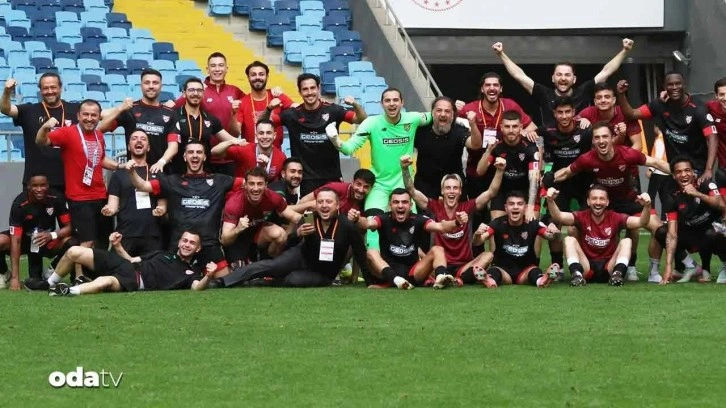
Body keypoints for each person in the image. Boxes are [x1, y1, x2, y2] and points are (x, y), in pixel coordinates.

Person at [543, 122, 669, 283]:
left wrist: (681, 175)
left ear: (612, 138)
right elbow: (567, 172)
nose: (601, 141)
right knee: (573, 229)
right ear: (593, 141)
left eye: (605, 137)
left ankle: (652, 271)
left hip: (628, 200)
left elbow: (657, 163)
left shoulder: (627, 154)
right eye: (597, 138)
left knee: (659, 230)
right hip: (603, 203)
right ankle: (581, 268)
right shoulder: (588, 158)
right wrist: (550, 178)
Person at [326, 88, 432, 249]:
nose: (392, 104)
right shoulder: (371, 123)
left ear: (402, 103)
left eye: (395, 100)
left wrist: (459, 117)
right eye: (387, 100)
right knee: (372, 225)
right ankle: (374, 262)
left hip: (404, 185)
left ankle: (413, 262)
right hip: (379, 185)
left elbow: (436, 115)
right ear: (381, 104)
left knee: (413, 226)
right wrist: (336, 140)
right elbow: (349, 149)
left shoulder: (413, 118)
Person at [124, 141, 243, 278]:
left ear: (204, 157)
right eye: (191, 152)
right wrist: (131, 172)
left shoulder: (219, 181)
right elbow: (143, 186)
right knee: (174, 283)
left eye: (199, 152)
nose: (195, 155)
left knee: (225, 283)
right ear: (185, 157)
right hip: (180, 247)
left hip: (209, 246)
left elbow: (249, 183)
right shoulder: (172, 181)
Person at [220, 188, 371, 288]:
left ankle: (264, 282)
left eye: (329, 202)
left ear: (337, 205)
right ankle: (223, 282)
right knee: (270, 266)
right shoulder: (309, 218)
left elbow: (360, 253)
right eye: (320, 202)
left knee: (293, 280)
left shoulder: (347, 225)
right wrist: (297, 234)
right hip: (300, 256)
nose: (324, 205)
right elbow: (287, 244)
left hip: (323, 273)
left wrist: (371, 282)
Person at [402, 154, 506, 285]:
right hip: (438, 265)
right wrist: (405, 169)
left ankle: (460, 279)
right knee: (417, 251)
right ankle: (452, 277)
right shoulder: (434, 207)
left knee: (488, 255)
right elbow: (411, 191)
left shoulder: (468, 207)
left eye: (455, 188)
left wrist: (500, 171)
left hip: (463, 266)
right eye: (448, 188)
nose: (451, 191)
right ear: (442, 191)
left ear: (460, 191)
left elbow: (491, 192)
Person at [36, 99, 119, 254]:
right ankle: (74, 270)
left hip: (101, 196)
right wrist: (45, 128)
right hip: (80, 198)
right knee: (86, 242)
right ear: (78, 116)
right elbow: (41, 141)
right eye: (85, 114)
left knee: (102, 241)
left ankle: (95, 269)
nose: (89, 118)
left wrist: (119, 166)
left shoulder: (99, 135)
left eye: (93, 115)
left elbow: (100, 159)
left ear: (99, 116)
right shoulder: (67, 133)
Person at [262, 73, 366, 195]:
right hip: (304, 180)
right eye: (305, 89)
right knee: (307, 208)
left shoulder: (333, 110)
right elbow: (263, 123)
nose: (309, 92)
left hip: (331, 177)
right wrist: (268, 109)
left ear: (319, 88)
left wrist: (355, 104)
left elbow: (361, 119)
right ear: (300, 92)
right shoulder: (292, 114)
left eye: (312, 88)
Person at [493, 39, 634, 127]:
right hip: (551, 147)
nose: (563, 78)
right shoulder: (543, 93)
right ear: (553, 78)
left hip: (579, 146)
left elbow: (606, 71)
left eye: (567, 75)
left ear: (574, 79)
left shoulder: (584, 91)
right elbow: (519, 75)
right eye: (559, 75)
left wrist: (625, 51)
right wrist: (501, 54)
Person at [617, 73, 717, 185]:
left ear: (684, 85)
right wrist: (621, 94)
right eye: (670, 84)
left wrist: (709, 170)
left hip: (697, 169)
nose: (674, 87)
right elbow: (631, 114)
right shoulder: (659, 105)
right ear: (664, 87)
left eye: (678, 84)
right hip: (673, 169)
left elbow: (712, 138)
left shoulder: (698, 108)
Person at [47, 230, 218, 296]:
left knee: (105, 282)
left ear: (197, 248)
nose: (187, 245)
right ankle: (49, 284)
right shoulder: (163, 253)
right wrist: (117, 246)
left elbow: (197, 287)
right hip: (126, 265)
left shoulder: (190, 272)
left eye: (192, 243)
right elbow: (132, 259)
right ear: (179, 242)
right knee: (74, 251)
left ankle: (67, 291)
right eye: (185, 241)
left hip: (136, 280)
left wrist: (208, 276)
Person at [358, 188, 466, 289]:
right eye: (396, 202)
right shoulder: (383, 218)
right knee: (371, 252)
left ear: (411, 205)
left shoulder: (418, 219)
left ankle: (441, 277)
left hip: (412, 272)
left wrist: (457, 222)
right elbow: (367, 223)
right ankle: (396, 280)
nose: (400, 206)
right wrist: (357, 219)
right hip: (387, 271)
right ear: (390, 205)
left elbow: (441, 226)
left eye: (404, 202)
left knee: (438, 249)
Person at [546, 185, 652, 286]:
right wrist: (550, 200)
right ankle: (577, 275)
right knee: (569, 240)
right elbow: (559, 217)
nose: (598, 202)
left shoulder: (615, 217)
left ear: (607, 202)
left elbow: (642, 222)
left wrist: (647, 206)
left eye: (602, 199)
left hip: (609, 268)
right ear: (588, 201)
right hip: (587, 268)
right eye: (594, 198)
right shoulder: (582, 216)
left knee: (627, 241)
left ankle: (617, 275)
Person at [456, 72, 537, 199]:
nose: (492, 88)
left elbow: (532, 126)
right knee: (477, 207)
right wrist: (454, 107)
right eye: (488, 85)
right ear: (482, 89)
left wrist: (521, 132)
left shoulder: (510, 105)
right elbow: (448, 119)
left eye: (495, 85)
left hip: (504, 168)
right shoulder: (470, 109)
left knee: (504, 204)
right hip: (477, 167)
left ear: (501, 89)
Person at [537, 96, 593, 276]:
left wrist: (588, 121)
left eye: (567, 112)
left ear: (574, 112)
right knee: (554, 226)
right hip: (559, 185)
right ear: (554, 114)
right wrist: (527, 131)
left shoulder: (585, 130)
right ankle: (558, 266)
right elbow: (529, 131)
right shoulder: (548, 131)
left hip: (584, 184)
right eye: (560, 112)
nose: (564, 116)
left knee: (584, 226)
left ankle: (587, 265)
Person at [1, 74, 80, 191]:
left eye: (53, 87)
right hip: (36, 183)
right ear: (40, 90)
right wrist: (7, 91)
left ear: (60, 88)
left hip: (69, 180)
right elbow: (5, 109)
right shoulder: (29, 110)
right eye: (45, 88)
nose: (50, 91)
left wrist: (115, 112)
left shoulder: (76, 109)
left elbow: (99, 114)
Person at [172, 52, 246, 176]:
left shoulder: (235, 91)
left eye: (221, 65)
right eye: (213, 66)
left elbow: (252, 102)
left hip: (229, 156)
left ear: (226, 68)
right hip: (205, 157)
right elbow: (176, 105)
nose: (217, 69)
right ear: (207, 69)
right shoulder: (199, 91)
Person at [656, 156, 726, 284]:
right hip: (692, 232)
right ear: (673, 176)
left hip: (714, 230)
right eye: (679, 172)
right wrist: (668, 267)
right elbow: (672, 234)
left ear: (693, 172)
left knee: (712, 233)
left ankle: (724, 265)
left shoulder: (705, 183)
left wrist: (697, 194)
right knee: (662, 232)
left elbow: (721, 205)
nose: (684, 175)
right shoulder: (671, 195)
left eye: (687, 170)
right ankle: (692, 266)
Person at [0, 174, 75, 290]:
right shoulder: (19, 204)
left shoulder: (56, 198)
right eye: (35, 186)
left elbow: (69, 227)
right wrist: (15, 278)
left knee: (73, 241)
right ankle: (5, 273)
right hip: (24, 241)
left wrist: (51, 235)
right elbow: (16, 240)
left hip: (47, 240)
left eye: (43, 185)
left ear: (48, 185)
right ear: (28, 187)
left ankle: (52, 270)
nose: (39, 189)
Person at [473, 191, 561, 288]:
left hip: (525, 270)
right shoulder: (497, 223)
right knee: (494, 271)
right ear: (506, 208)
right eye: (511, 204)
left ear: (525, 208)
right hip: (503, 270)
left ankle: (542, 280)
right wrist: (477, 235)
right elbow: (478, 241)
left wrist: (555, 232)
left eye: (519, 204)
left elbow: (551, 237)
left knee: (534, 271)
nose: (515, 207)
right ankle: (489, 280)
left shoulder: (533, 223)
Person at [98, 68, 180, 172]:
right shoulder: (130, 109)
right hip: (134, 173)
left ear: (161, 86)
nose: (151, 86)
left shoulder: (170, 113)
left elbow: (173, 145)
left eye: (155, 83)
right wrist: (119, 109)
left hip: (161, 173)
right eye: (147, 83)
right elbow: (101, 128)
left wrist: (161, 162)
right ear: (141, 86)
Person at [102, 130, 167, 256]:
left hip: (152, 234)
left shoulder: (157, 172)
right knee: (119, 267)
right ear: (128, 146)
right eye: (134, 138)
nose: (138, 141)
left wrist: (161, 209)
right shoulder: (118, 174)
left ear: (148, 147)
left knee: (151, 268)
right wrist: (109, 209)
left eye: (143, 139)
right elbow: (113, 204)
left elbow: (163, 203)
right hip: (125, 233)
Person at [220, 167, 303, 264]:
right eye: (252, 184)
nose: (256, 189)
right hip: (238, 236)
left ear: (266, 185)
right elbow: (225, 240)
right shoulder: (234, 203)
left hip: (258, 231)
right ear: (245, 185)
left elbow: (295, 217)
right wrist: (238, 229)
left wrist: (312, 222)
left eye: (260, 184)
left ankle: (271, 263)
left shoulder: (273, 197)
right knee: (239, 269)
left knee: (280, 234)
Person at [476, 110, 540, 221]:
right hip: (502, 190)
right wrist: (488, 151)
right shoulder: (495, 144)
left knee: (531, 222)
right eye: (507, 126)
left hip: (525, 189)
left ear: (521, 127)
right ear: (501, 127)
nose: (511, 130)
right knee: (497, 223)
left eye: (514, 126)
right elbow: (480, 171)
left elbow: (534, 179)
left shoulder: (530, 147)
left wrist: (530, 206)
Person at [413, 96, 482, 199]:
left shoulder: (459, 131)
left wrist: (473, 124)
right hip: (425, 188)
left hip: (453, 188)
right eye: (439, 110)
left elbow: (476, 145)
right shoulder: (420, 131)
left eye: (447, 111)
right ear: (432, 113)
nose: (443, 114)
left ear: (453, 115)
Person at [233, 60, 294, 148]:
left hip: (276, 152)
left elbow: (298, 108)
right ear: (248, 77)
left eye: (261, 74)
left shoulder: (277, 96)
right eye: (253, 75)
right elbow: (235, 133)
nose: (257, 77)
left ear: (267, 77)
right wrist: (232, 114)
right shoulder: (242, 103)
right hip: (251, 153)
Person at [212, 119, 287, 180]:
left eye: (268, 133)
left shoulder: (281, 157)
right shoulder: (244, 149)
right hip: (243, 191)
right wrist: (231, 142)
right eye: (261, 133)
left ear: (274, 135)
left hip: (268, 192)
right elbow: (214, 151)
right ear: (256, 136)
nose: (265, 136)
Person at [578, 82, 642, 149]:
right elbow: (572, 120)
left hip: (625, 153)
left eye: (607, 97)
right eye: (599, 98)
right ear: (595, 101)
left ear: (614, 100)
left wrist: (624, 156)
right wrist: (581, 119)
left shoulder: (625, 113)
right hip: (597, 154)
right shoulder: (588, 112)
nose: (603, 100)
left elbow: (638, 146)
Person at [299, 168, 376, 220]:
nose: (361, 190)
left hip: (343, 232)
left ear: (371, 188)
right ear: (352, 182)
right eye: (358, 184)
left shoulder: (371, 200)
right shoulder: (336, 188)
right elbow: (305, 200)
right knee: (312, 205)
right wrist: (305, 222)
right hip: (319, 226)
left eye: (366, 187)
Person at [706, 77, 726, 171]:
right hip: (723, 167)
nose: (725, 98)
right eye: (722, 94)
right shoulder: (711, 107)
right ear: (716, 96)